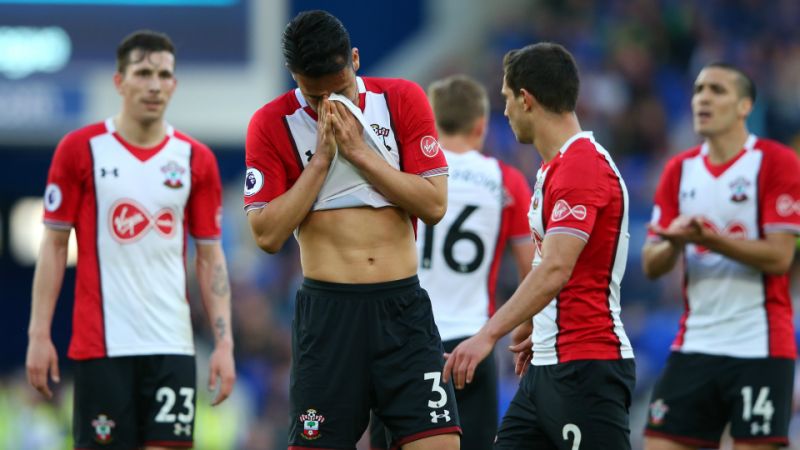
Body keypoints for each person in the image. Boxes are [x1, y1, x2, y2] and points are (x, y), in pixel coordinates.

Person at [243, 10, 460, 450]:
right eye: (314, 95)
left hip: (402, 311)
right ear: (294, 77)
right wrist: (321, 160)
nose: (330, 106)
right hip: (330, 317)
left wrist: (360, 154)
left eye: (339, 90)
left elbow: (434, 204)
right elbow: (266, 235)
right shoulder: (271, 123)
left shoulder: (400, 100)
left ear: (355, 60)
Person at [25, 30, 236, 449]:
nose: (154, 85)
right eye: (143, 73)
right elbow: (52, 247)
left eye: (164, 74)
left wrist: (224, 343)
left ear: (174, 84)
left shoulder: (197, 160)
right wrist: (38, 334)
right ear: (120, 82)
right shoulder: (80, 150)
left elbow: (210, 258)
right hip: (101, 347)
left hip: (172, 346)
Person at [443, 42, 636, 449]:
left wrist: (487, 336)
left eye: (507, 99)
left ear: (526, 99)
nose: (506, 111)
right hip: (547, 366)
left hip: (586, 365)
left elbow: (555, 268)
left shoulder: (583, 165)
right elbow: (551, 265)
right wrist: (537, 321)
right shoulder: (554, 168)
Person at [369, 74, 535, 450]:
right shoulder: (506, 181)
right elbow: (532, 272)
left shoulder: (406, 174)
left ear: (431, 120)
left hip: (403, 339)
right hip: (471, 344)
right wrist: (522, 329)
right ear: (481, 125)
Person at [642, 63, 800, 450]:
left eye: (716, 90)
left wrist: (709, 239)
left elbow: (780, 257)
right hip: (696, 340)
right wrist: (676, 242)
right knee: (658, 442)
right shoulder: (679, 170)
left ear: (745, 106)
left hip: (759, 344)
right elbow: (650, 263)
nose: (703, 99)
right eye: (698, 90)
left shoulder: (776, 162)